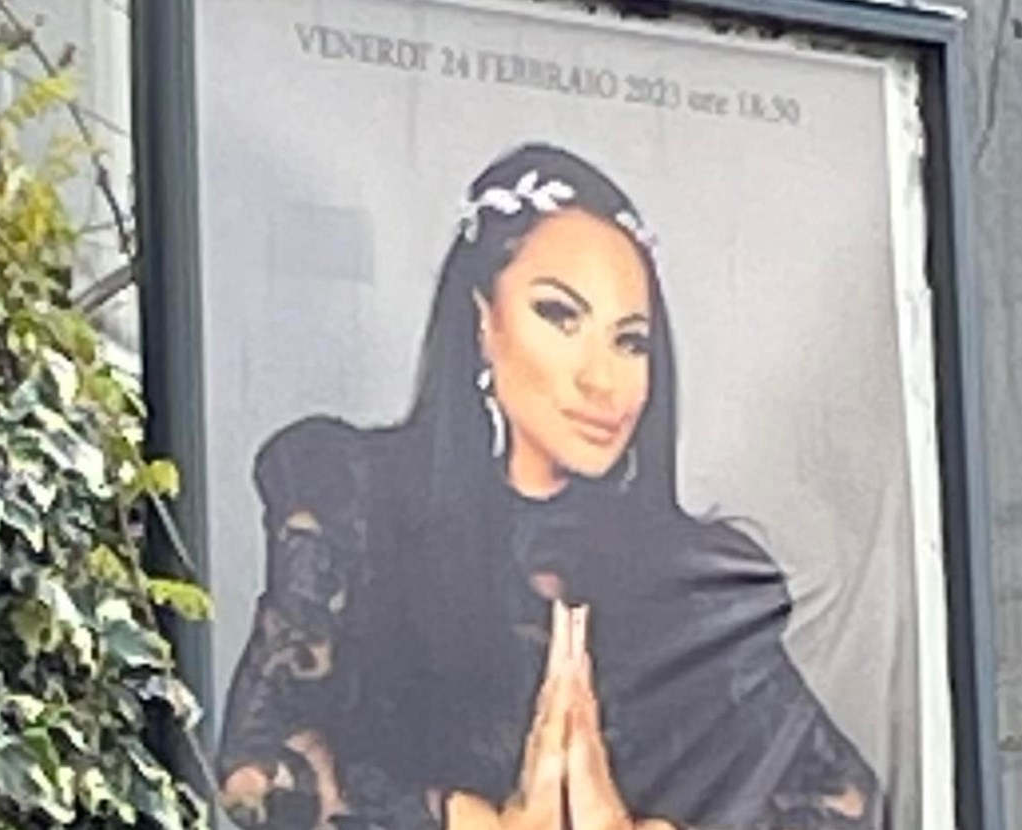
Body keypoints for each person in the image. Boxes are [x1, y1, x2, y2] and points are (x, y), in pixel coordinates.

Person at [217, 143, 881, 830]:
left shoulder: (691, 587)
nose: (602, 380)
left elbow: (849, 804)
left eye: (630, 341)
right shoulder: (356, 499)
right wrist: (470, 820)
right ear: (483, 321)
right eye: (561, 316)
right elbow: (254, 777)